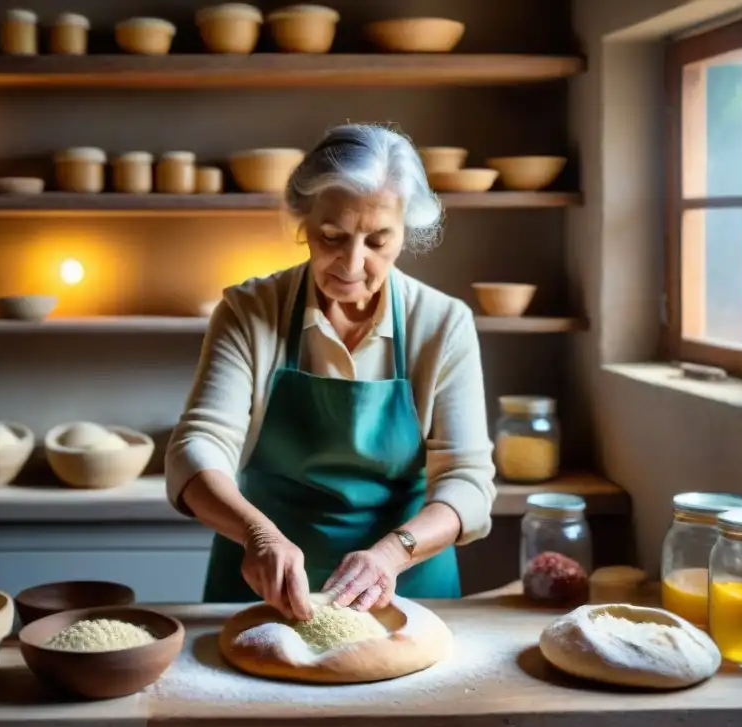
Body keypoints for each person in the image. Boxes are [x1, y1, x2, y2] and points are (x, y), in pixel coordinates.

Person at [166, 122, 497, 618]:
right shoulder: (250, 311)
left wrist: (393, 552)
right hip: (264, 587)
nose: (352, 262)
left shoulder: (443, 323)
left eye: (378, 241)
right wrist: (258, 534)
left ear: (405, 231)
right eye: (332, 236)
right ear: (303, 222)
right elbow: (196, 449)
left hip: (406, 586)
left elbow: (468, 481)